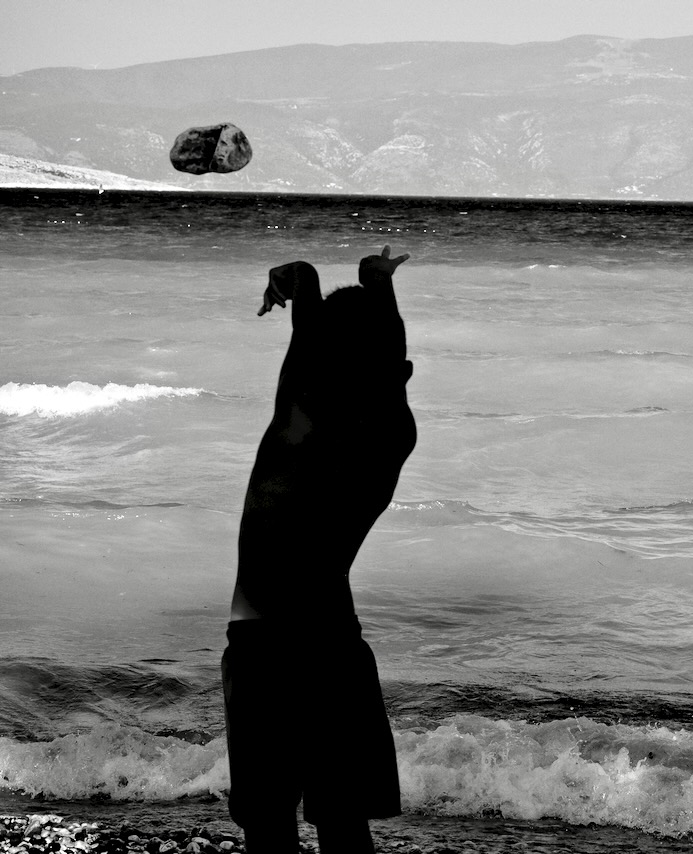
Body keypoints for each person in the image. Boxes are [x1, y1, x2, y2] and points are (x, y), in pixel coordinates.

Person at [222, 246, 416, 854]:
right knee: (343, 818)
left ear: (317, 348)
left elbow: (304, 283)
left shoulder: (298, 409)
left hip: (259, 635)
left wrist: (310, 280)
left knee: (267, 821)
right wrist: (378, 283)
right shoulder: (393, 434)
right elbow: (389, 354)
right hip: (330, 634)